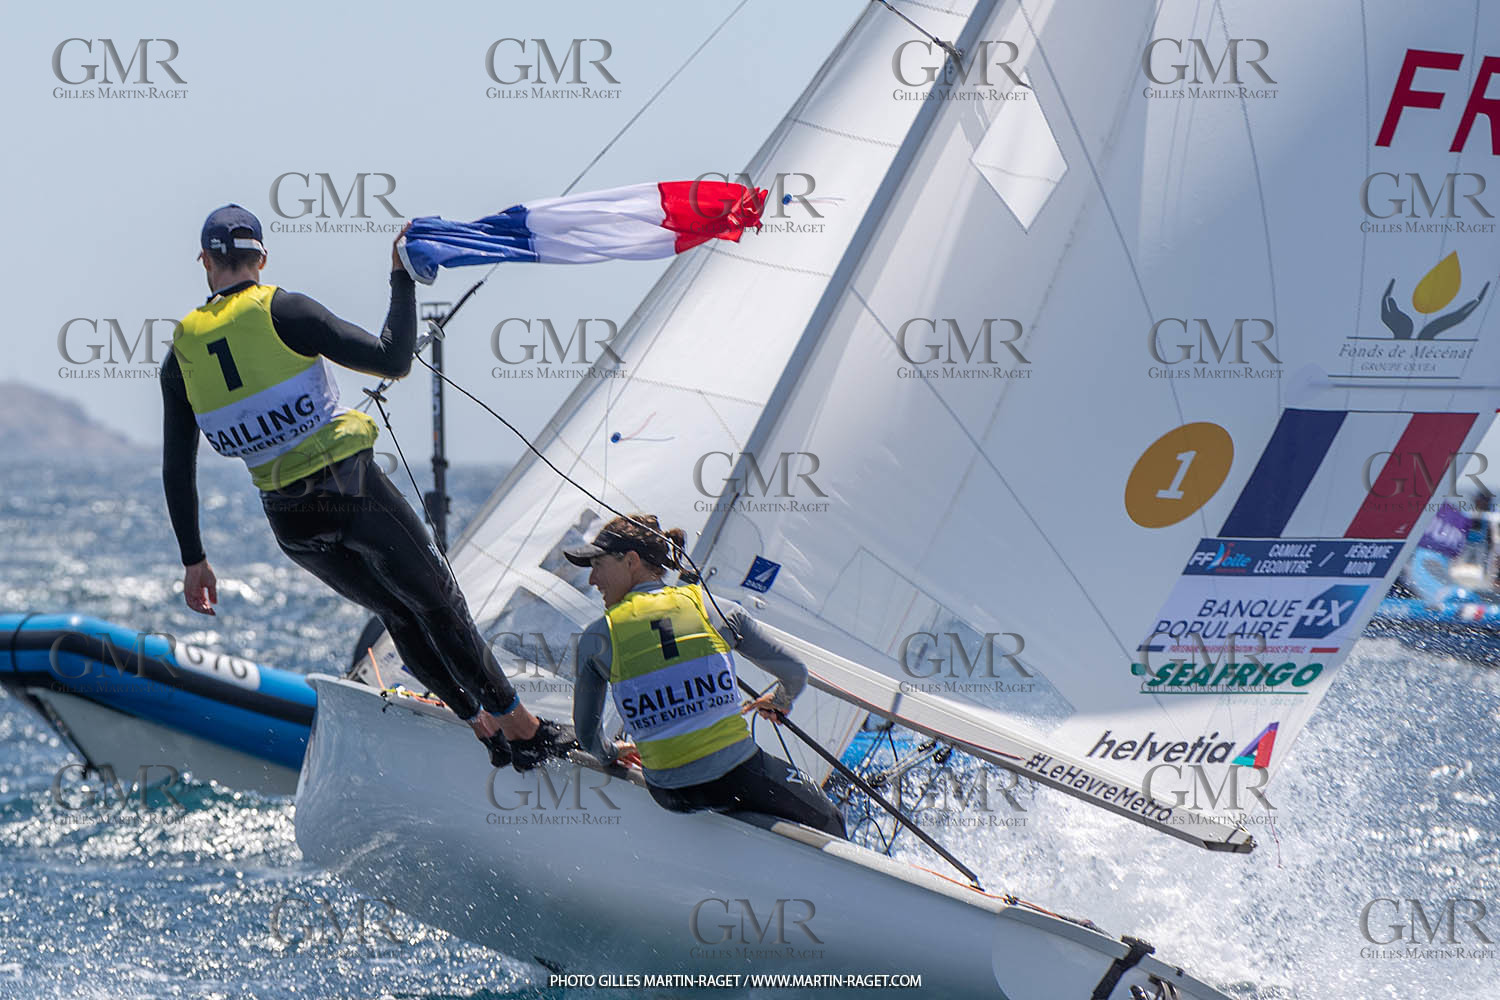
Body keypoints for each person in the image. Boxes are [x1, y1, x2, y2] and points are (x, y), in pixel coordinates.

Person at [160, 204, 576, 770]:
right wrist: (401, 278)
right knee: (438, 602)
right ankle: (521, 726)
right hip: (351, 492)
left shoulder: (180, 352)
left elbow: (176, 466)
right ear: (261, 257)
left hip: (290, 520)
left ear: (205, 262)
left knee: (398, 615)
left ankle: (479, 725)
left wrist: (194, 559)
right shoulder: (285, 309)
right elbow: (394, 359)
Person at [567, 514, 846, 837]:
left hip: (670, 794)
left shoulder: (596, 637)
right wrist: (780, 700)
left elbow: (588, 737)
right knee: (830, 818)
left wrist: (611, 753)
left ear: (631, 561)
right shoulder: (714, 608)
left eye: (597, 565)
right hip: (737, 776)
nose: (592, 580)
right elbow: (795, 673)